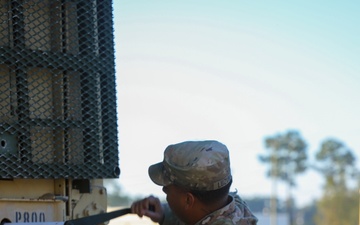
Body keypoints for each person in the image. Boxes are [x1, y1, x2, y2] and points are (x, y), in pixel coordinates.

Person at [131, 140, 258, 225]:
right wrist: (165, 215)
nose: (164, 191)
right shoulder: (235, 209)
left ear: (188, 200)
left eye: (167, 188)